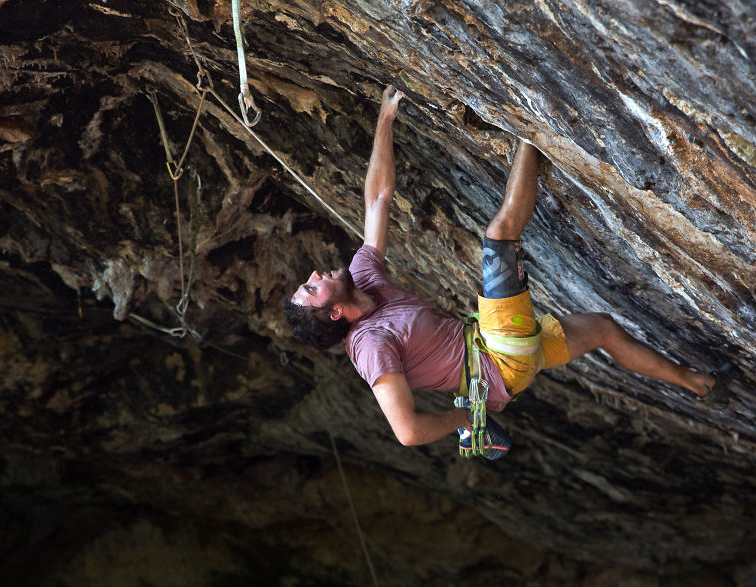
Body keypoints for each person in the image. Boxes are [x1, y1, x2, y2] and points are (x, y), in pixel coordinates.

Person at [283, 85, 732, 459]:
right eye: (311, 288)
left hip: (504, 356)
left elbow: (377, 200)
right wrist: (467, 418)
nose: (316, 273)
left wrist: (384, 121)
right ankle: (531, 123)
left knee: (603, 329)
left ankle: (701, 385)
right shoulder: (371, 347)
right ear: (335, 314)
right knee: (500, 235)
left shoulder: (363, 278)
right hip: (499, 356)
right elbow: (408, 431)